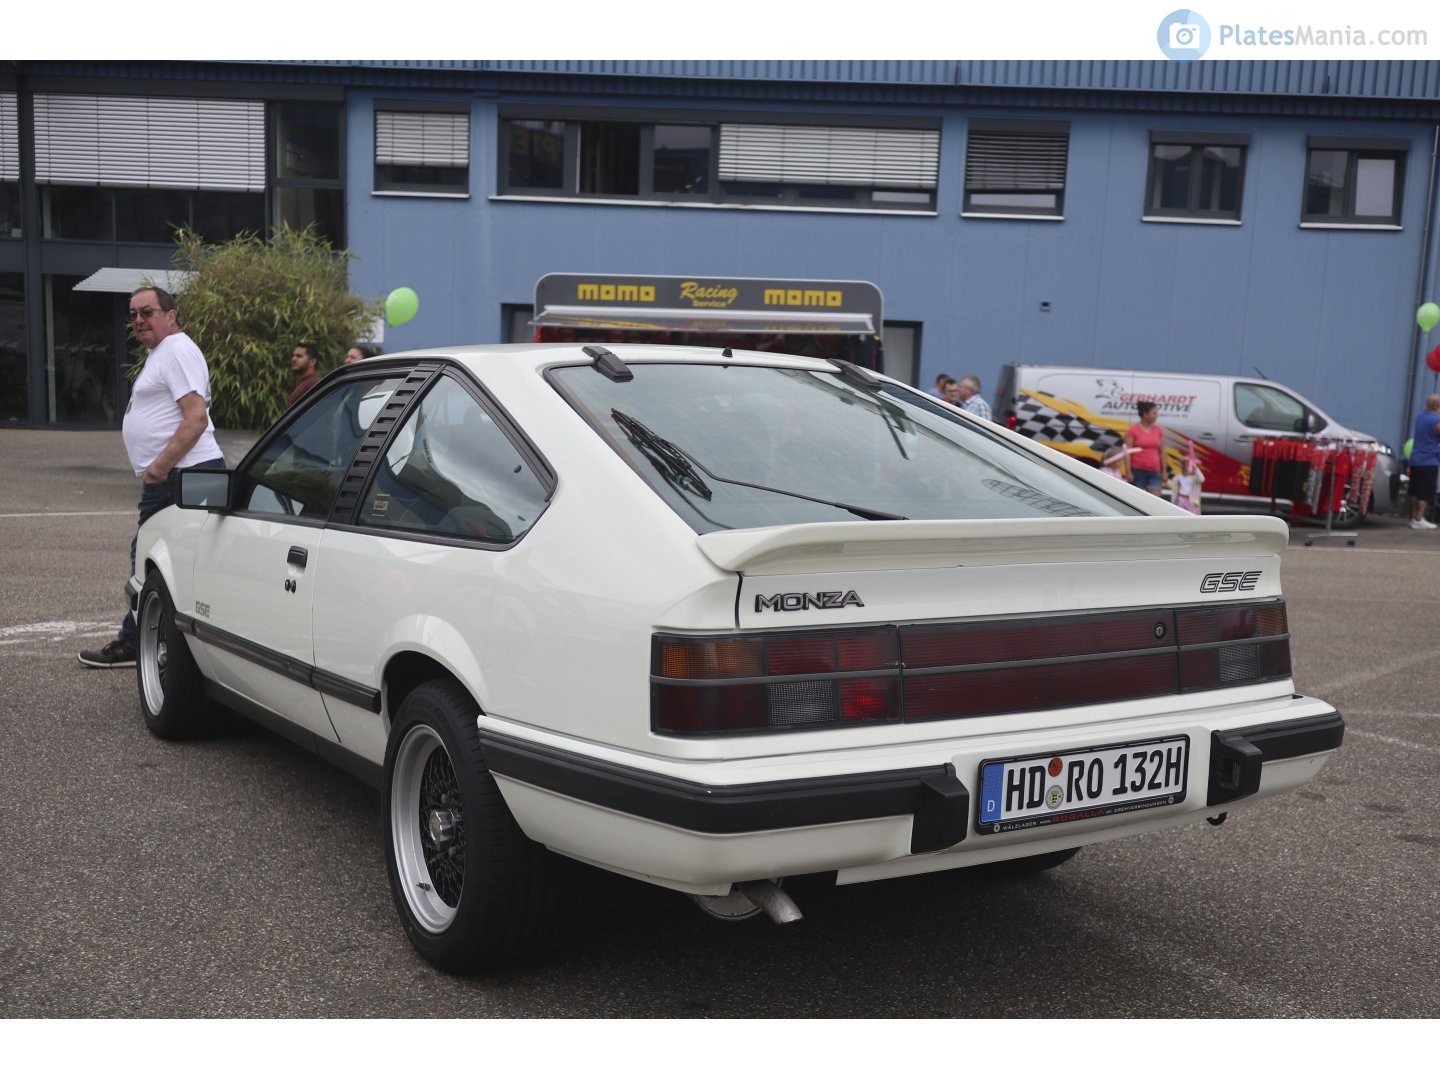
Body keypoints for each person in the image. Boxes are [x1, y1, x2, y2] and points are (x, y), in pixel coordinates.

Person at [79, 286, 225, 668]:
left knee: (149, 558)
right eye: (133, 315)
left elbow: (196, 418)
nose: (139, 320)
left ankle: (137, 642)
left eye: (148, 311)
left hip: (181, 475)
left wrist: (158, 469)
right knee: (166, 558)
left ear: (171, 315)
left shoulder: (176, 350)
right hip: (180, 474)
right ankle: (148, 639)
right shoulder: (163, 353)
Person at [1408, 393, 1440, 529]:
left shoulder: (1419, 417)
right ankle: (1420, 518)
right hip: (1429, 460)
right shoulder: (1437, 421)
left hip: (1415, 458)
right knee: (1425, 493)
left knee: (1414, 491)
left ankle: (1412, 517)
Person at [1125, 400, 1165, 494]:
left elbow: (1162, 451)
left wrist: (1164, 471)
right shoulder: (1133, 430)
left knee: (1156, 499)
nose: (1156, 416)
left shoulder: (1158, 430)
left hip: (1155, 470)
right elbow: (1127, 452)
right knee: (1137, 498)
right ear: (1145, 414)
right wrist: (1128, 471)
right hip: (1137, 470)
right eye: (1154, 413)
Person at [1168, 443, 1205, 514]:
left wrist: (1195, 468)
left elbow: (1202, 479)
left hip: (1191, 500)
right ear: (1183, 466)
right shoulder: (1180, 476)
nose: (1189, 466)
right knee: (1180, 514)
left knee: (1192, 515)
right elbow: (1174, 484)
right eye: (1186, 465)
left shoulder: (1195, 478)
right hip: (1181, 498)